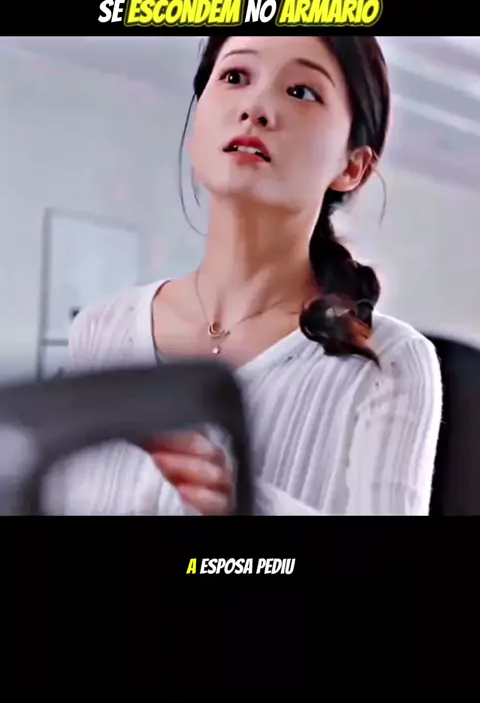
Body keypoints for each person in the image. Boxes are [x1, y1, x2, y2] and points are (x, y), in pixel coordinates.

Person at [48, 34, 443, 516]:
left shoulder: (391, 361)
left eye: (301, 91)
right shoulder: (101, 329)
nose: (255, 108)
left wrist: (245, 504)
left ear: (353, 166)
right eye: (235, 77)